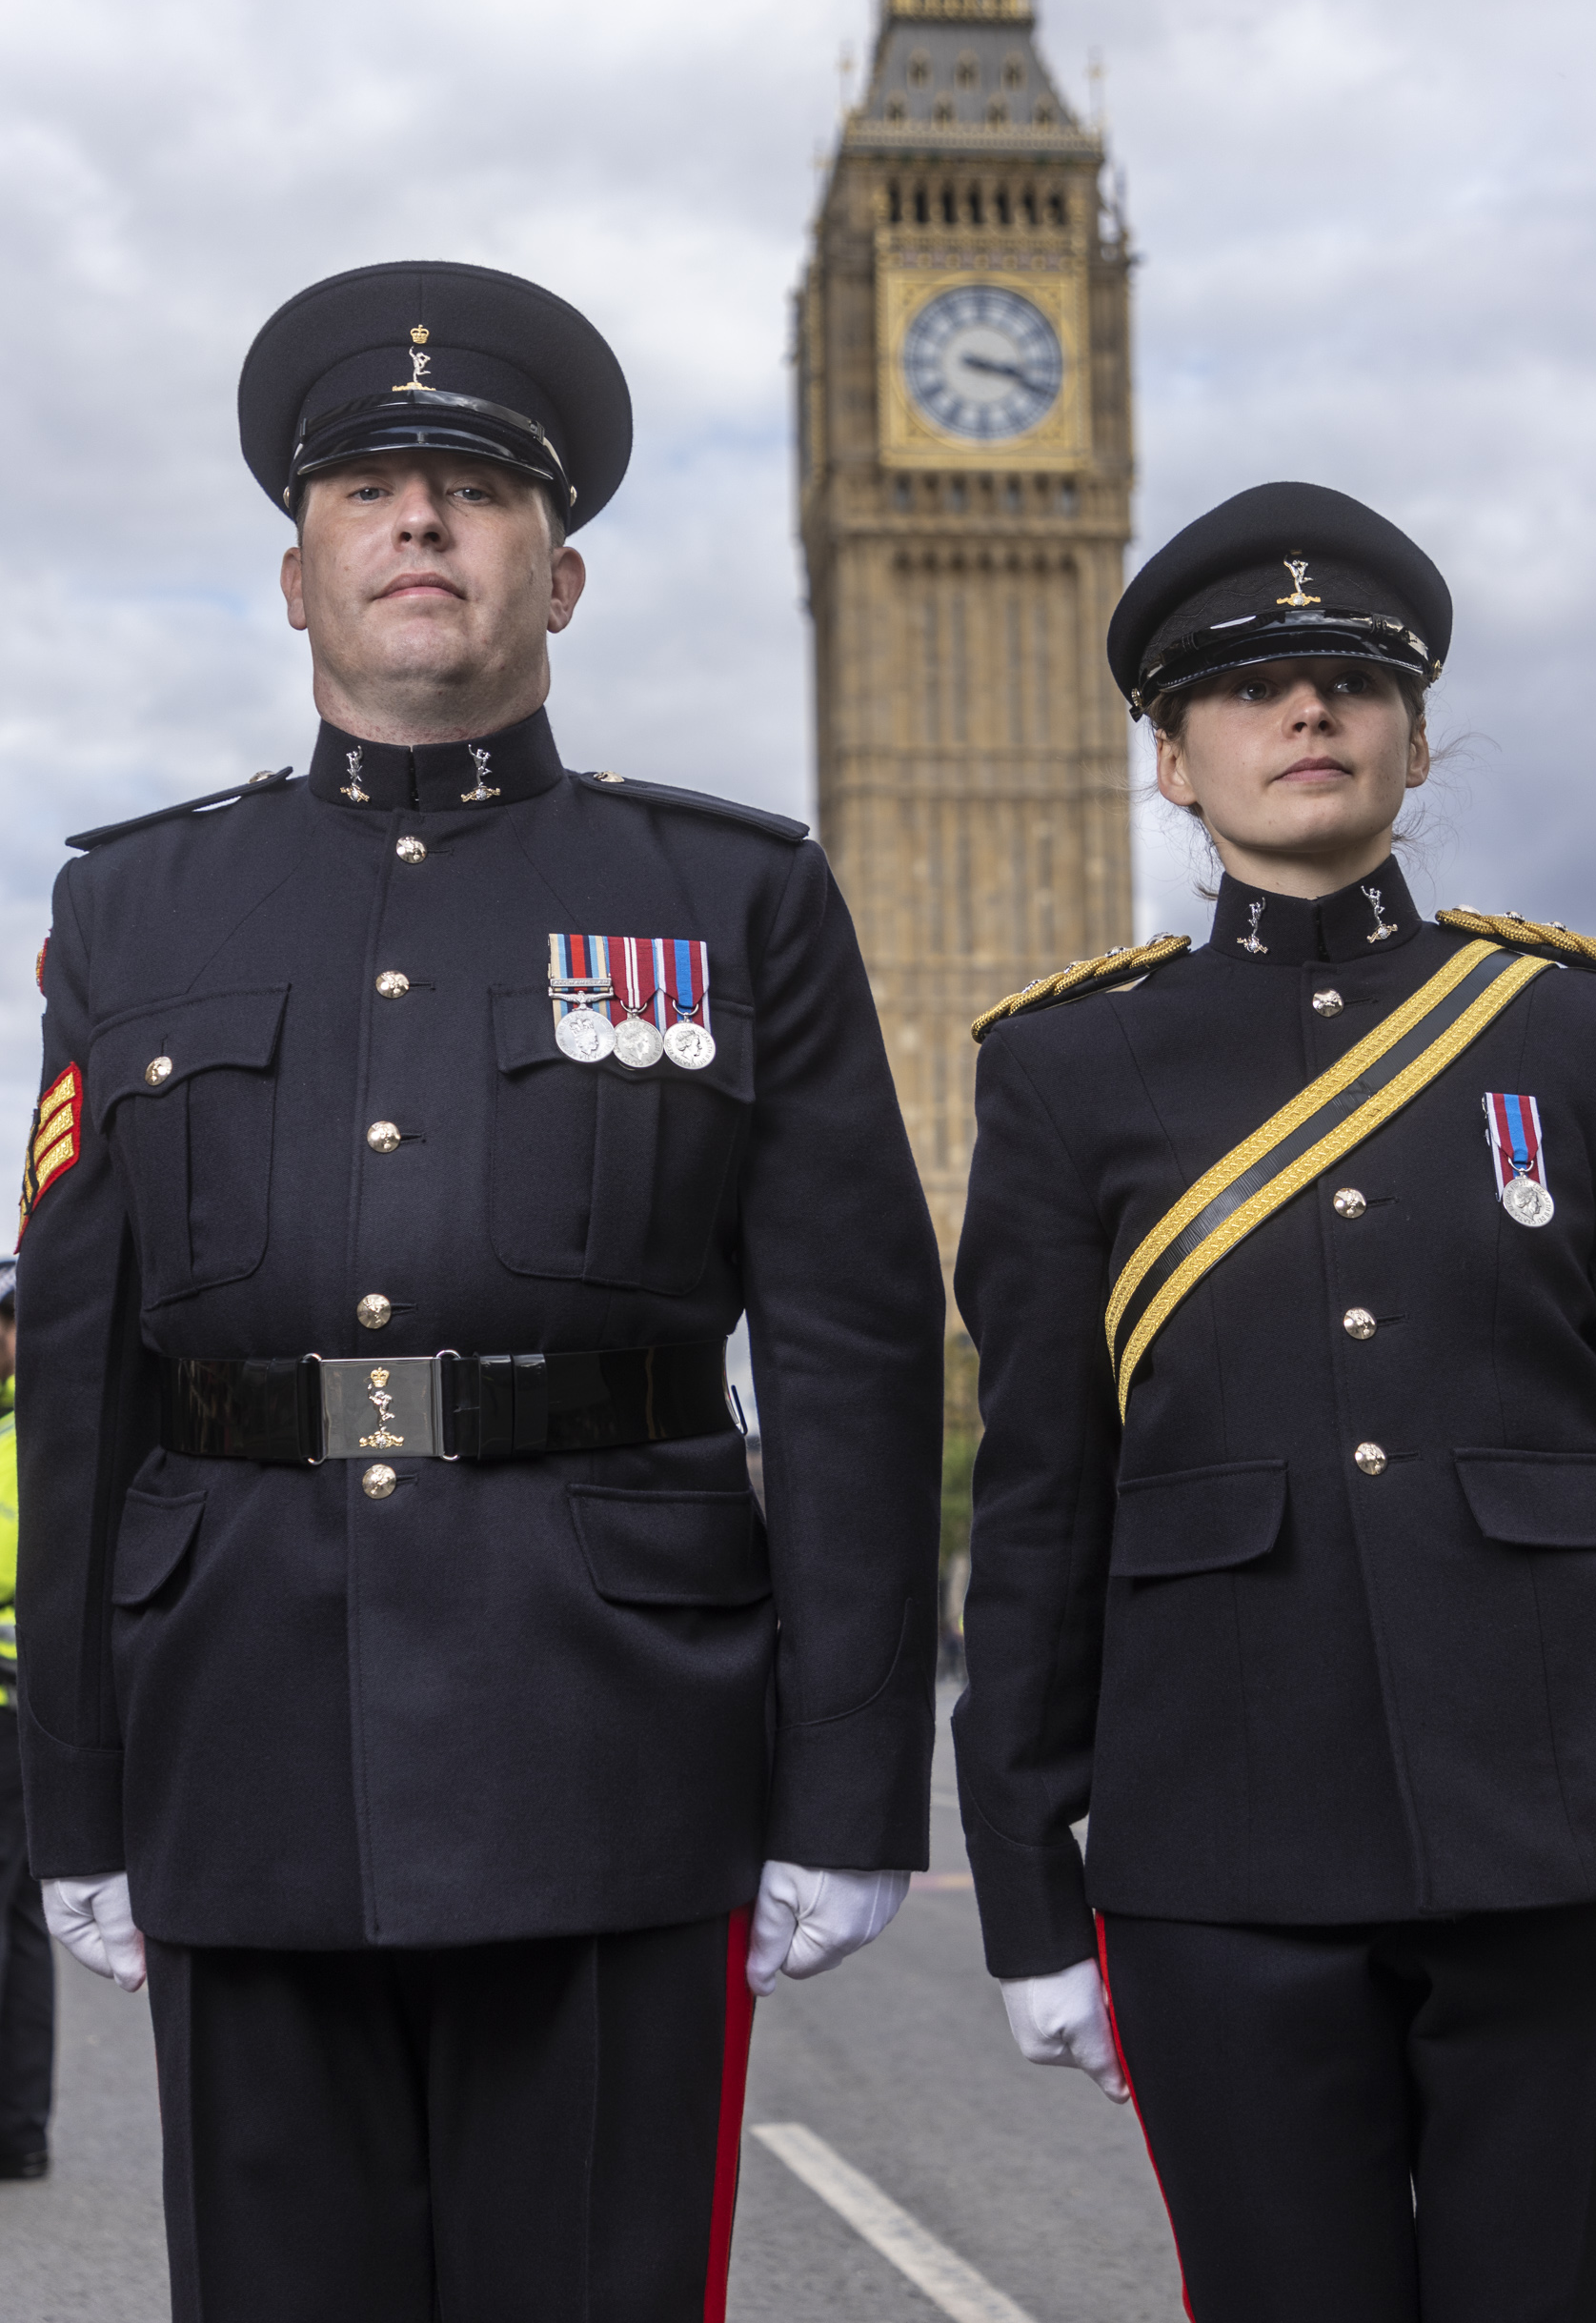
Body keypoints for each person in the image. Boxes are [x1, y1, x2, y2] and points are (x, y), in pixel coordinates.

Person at [15, 262, 943, 2321]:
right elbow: (74, 1376)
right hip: (238, 1730)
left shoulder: (732, 896)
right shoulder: (133, 905)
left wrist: (851, 1781)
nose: (419, 520)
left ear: (564, 574)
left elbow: (854, 1351)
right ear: (295, 575)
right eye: (367, 486)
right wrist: (68, 1795)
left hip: (612, 1737)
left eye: (473, 490)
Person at [952, 482, 1596, 2321]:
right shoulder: (1063, 1071)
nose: (1306, 711)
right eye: (1251, 687)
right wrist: (1029, 1887)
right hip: (1221, 1853)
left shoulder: (1579, 1035)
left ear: (1415, 741)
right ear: (1172, 762)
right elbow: (1043, 1504)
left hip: (1569, 1840)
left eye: (1350, 679)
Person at [0, 1258, 54, 2180]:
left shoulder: (29, 1432)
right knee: (17, 1920)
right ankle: (18, 2132)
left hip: (12, 1710)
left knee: (13, 1919)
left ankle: (16, 2129)